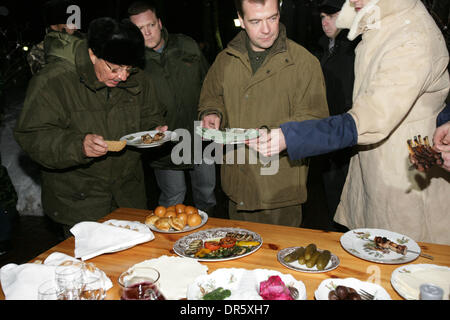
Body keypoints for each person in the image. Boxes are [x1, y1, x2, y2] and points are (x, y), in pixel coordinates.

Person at [247, 0, 450, 244]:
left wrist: (291, 136)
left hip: (405, 178)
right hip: (378, 167)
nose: (352, 0)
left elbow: (370, 117)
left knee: (404, 262)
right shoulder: (383, 23)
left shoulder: (412, 38)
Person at [14, 17, 167, 238]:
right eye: (114, 69)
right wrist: (78, 146)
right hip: (80, 203)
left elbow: (151, 113)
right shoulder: (55, 81)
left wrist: (153, 132)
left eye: (128, 68)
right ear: (93, 54)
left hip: (128, 198)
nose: (123, 76)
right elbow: (32, 135)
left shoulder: (137, 79)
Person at [199, 0, 329, 227]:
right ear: (240, 20)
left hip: (281, 190)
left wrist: (288, 136)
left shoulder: (304, 63)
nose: (267, 29)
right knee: (240, 260)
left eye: (273, 18)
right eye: (256, 21)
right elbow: (211, 96)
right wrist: (211, 113)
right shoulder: (225, 61)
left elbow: (317, 122)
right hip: (237, 184)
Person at [128, 1, 217, 215]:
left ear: (159, 23)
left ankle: (208, 241)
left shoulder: (186, 45)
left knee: (206, 195)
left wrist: (212, 114)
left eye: (150, 25)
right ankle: (168, 246)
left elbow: (209, 84)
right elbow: (131, 107)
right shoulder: (132, 61)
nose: (147, 33)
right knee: (173, 198)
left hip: (200, 138)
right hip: (165, 145)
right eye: (139, 29)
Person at [312, 0, 359, 227]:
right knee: (332, 196)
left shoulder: (355, 48)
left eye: (331, 15)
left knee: (347, 200)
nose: (325, 22)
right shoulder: (323, 49)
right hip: (328, 134)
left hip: (349, 135)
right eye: (322, 17)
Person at [27, 0, 83, 75]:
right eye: (70, 22)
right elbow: (49, 80)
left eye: (76, 22)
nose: (76, 27)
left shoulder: (83, 43)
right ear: (54, 26)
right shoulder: (39, 51)